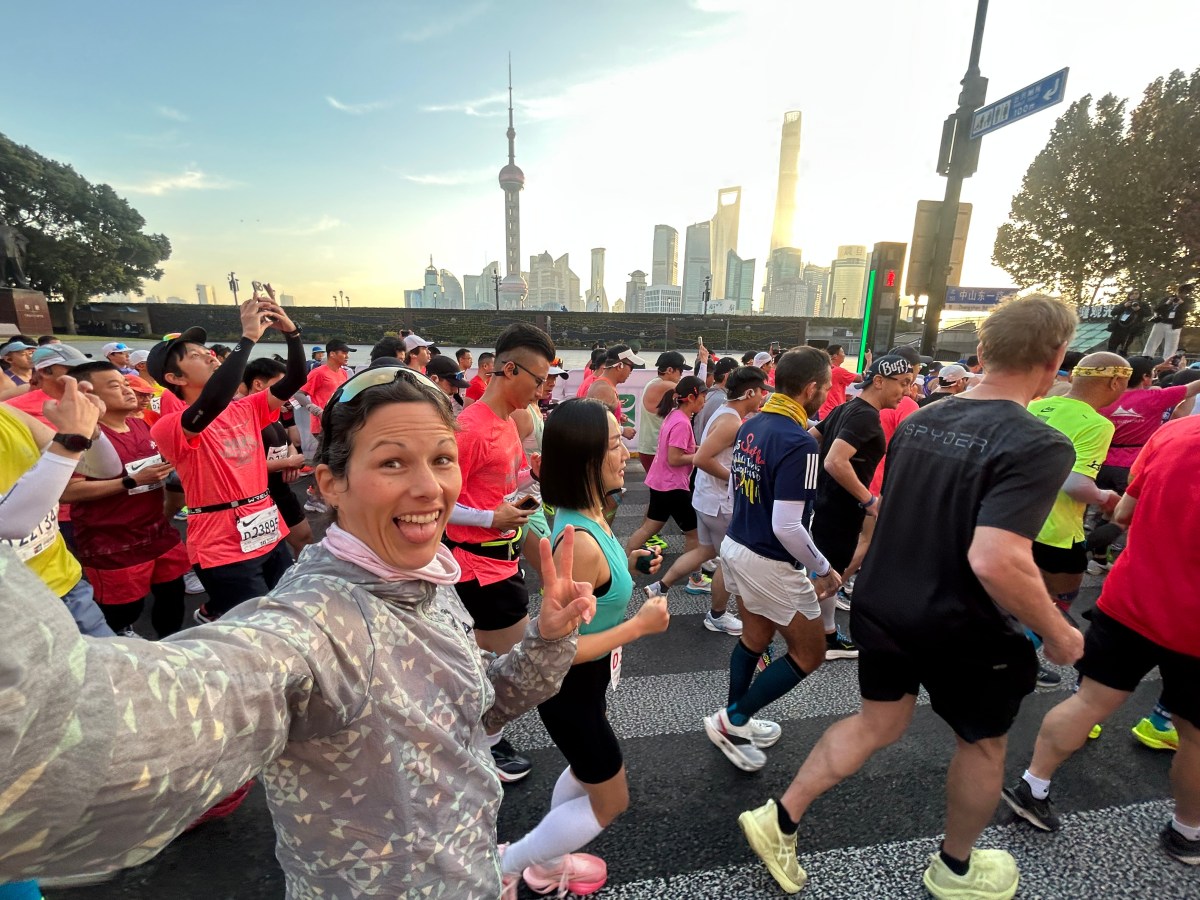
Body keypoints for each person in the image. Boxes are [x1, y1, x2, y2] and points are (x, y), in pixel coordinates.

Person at [0, 364, 594, 899]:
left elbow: (474, 711)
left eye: (442, 459)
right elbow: (85, 743)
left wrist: (547, 640)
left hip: (467, 873)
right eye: (392, 462)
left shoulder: (423, 577)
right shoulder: (316, 622)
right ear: (329, 483)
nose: (430, 488)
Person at [736, 295, 1084, 899]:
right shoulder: (1040, 443)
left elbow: (895, 509)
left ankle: (781, 818)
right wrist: (1059, 633)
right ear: (1055, 358)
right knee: (983, 744)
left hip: (885, 603)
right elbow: (996, 557)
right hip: (962, 622)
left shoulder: (923, 418)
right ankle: (954, 869)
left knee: (877, 721)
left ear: (982, 352)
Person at [1002, 413, 1200, 867]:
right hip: (1194, 629)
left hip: (1132, 598)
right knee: (1194, 735)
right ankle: (1188, 831)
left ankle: (1033, 786)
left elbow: (1125, 512)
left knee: (1088, 701)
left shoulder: (1175, 432)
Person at [499, 398, 669, 896]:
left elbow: (598, 584)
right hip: (569, 691)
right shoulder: (580, 540)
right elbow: (561, 649)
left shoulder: (592, 517)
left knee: (583, 769)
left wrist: (630, 564)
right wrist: (638, 627)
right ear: (587, 458)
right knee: (610, 800)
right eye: (616, 443)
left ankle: (547, 864)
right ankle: (507, 864)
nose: (627, 451)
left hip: (587, 687)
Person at [702, 348, 839, 772]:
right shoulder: (801, 443)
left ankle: (735, 722)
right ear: (811, 389)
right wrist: (823, 568)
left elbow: (736, 489)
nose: (827, 394)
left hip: (738, 546)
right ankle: (733, 719)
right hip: (769, 559)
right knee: (810, 653)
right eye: (826, 387)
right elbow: (788, 526)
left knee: (755, 638)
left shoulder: (752, 423)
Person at [148, 296, 306, 622]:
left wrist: (292, 333)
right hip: (222, 545)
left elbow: (294, 380)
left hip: (268, 528)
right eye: (195, 355)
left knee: (288, 614)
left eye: (206, 350)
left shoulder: (245, 407)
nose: (208, 355)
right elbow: (214, 400)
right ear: (175, 378)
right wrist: (247, 339)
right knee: (257, 628)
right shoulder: (171, 426)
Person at [445, 323, 555, 782]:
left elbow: (502, 486)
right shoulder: (470, 429)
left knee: (488, 660)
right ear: (509, 370)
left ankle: (474, 736)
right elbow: (439, 501)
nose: (543, 390)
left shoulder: (509, 422)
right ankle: (485, 742)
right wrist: (491, 518)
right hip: (477, 565)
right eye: (538, 379)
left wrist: (532, 481)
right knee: (515, 663)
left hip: (502, 558)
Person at [61, 362, 187, 637]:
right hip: (112, 542)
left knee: (173, 594)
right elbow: (67, 491)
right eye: (115, 386)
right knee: (123, 610)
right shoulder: (82, 436)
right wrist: (131, 481)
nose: (128, 390)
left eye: (126, 383)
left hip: (158, 533)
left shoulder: (142, 425)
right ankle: (117, 640)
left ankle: (171, 645)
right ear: (89, 395)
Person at [0, 374, 122, 638]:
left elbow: (105, 468)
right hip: (11, 607)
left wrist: (91, 429)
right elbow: (11, 524)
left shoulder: (8, 415)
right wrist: (73, 436)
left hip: (65, 583)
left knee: (105, 660)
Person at [809, 354, 914, 659]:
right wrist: (869, 501)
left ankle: (827, 635)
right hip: (840, 511)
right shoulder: (865, 416)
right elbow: (834, 461)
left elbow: (809, 439)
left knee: (828, 574)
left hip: (828, 505)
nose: (906, 391)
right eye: (902, 383)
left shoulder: (845, 408)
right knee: (824, 582)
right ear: (879, 381)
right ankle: (770, 636)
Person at [1087, 355, 1200, 571]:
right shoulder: (1155, 397)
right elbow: (1192, 387)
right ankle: (1105, 555)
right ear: (1146, 378)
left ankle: (1094, 556)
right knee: (1122, 518)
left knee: (1105, 511)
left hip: (1099, 462)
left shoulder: (1105, 397)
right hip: (1131, 467)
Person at [691, 365, 773, 635]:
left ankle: (663, 586)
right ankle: (717, 615)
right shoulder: (731, 422)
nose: (763, 396)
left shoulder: (727, 413)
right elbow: (701, 458)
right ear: (749, 393)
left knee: (712, 554)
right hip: (718, 502)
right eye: (761, 392)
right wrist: (736, 478)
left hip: (707, 499)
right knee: (730, 564)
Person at [626, 375, 711, 594]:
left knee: (647, 529)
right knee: (694, 535)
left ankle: (623, 571)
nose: (704, 402)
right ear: (691, 397)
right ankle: (695, 579)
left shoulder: (674, 415)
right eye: (703, 397)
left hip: (661, 483)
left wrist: (701, 449)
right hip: (673, 486)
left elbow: (679, 450)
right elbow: (675, 458)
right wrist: (700, 456)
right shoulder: (682, 422)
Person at [242, 358, 313, 557]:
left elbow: (287, 443)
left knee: (304, 539)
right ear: (258, 384)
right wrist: (288, 462)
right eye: (282, 384)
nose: (287, 391)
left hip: (280, 489)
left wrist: (291, 459)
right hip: (256, 496)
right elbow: (242, 465)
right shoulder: (242, 415)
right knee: (267, 553)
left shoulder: (273, 410)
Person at [636, 351, 688, 475]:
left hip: (652, 448)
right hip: (655, 449)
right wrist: (703, 364)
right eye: (680, 370)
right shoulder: (663, 385)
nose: (682, 374)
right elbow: (696, 391)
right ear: (670, 370)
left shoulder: (656, 383)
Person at [586, 345, 645, 441]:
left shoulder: (604, 385)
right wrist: (622, 430)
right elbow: (597, 425)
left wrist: (617, 417)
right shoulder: (604, 389)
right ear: (619, 366)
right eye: (631, 367)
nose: (631, 372)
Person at [299, 339, 353, 441]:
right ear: (332, 354)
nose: (347, 356)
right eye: (344, 353)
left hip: (338, 423)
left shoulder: (343, 372)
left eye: (347, 353)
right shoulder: (318, 373)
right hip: (322, 426)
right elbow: (299, 394)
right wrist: (317, 411)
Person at [816, 345, 869, 421]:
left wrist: (843, 396)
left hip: (824, 412)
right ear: (835, 356)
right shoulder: (838, 371)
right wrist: (869, 361)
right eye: (842, 352)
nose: (844, 355)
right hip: (834, 413)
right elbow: (861, 378)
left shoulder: (824, 369)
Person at [693, 356, 740, 441]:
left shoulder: (708, 393)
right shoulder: (723, 401)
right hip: (706, 446)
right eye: (737, 376)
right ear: (727, 376)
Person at [1142, 284, 1192, 361]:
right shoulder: (1168, 298)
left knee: (1171, 346)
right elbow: (1157, 309)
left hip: (1174, 326)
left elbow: (1186, 311)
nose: (1181, 295)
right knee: (1152, 342)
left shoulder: (1187, 302)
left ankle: (1167, 361)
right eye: (1180, 292)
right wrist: (1167, 303)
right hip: (1161, 323)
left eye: (1184, 293)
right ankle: (1146, 358)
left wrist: (1181, 304)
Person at [1107, 290, 1150, 355]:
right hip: (1118, 328)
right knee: (1111, 347)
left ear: (1139, 295)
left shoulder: (1143, 304)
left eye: (1136, 293)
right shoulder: (1124, 304)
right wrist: (1124, 306)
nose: (1134, 295)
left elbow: (1148, 314)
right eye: (1132, 293)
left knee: (1124, 348)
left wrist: (1139, 309)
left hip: (1131, 330)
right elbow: (1113, 312)